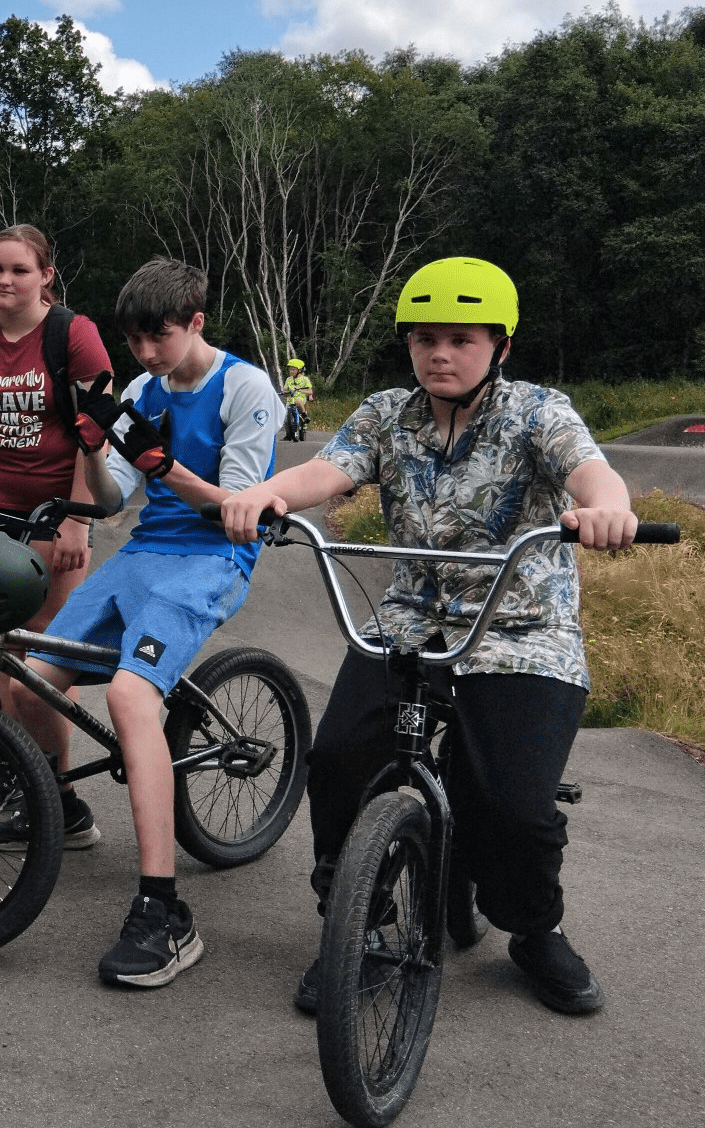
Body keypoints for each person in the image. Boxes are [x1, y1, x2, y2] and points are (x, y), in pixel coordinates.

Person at [219, 257, 641, 1017]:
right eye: (422, 339)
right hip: (412, 617)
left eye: (459, 338)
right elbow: (327, 471)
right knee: (339, 756)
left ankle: (533, 927)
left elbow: (592, 474)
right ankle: (359, 923)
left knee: (513, 804)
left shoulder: (537, 412)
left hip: (522, 628)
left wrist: (606, 508)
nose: (437, 353)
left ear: (500, 345)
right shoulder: (386, 414)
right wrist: (267, 492)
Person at [0, 256, 283, 989]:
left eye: (161, 337)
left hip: (213, 557)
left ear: (196, 322)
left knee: (125, 695)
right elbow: (114, 499)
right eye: (135, 342)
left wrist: (162, 459)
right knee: (21, 670)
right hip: (142, 549)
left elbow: (237, 509)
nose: (145, 356)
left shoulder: (245, 388)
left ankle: (164, 911)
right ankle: (63, 805)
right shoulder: (144, 388)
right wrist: (91, 445)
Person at [0, 224, 113, 817]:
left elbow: (96, 435)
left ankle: (59, 800)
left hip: (53, 513)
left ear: (46, 277)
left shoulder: (74, 335)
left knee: (35, 668)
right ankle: (21, 780)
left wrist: (77, 522)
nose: (4, 280)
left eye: (18, 270)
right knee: (1, 654)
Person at [282, 358, 312, 441]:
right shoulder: (288, 379)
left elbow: (310, 391)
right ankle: (288, 435)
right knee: (285, 417)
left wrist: (301, 390)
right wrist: (284, 391)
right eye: (290, 369)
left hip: (300, 398)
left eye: (293, 369)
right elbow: (285, 389)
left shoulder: (304, 379)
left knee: (298, 400)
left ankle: (303, 414)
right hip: (290, 400)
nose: (291, 371)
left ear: (300, 370)